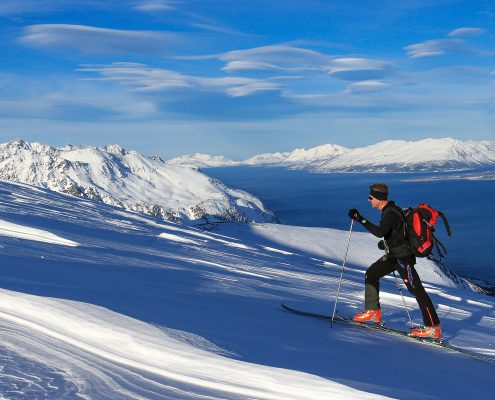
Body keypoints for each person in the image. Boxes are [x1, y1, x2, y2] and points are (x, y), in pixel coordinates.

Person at [348, 183, 442, 339]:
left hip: (402, 258)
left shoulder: (390, 213)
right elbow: (395, 234)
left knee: (416, 290)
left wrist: (360, 219)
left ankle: (433, 327)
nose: (368, 200)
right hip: (394, 256)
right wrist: (386, 243)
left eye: (370, 197)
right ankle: (373, 312)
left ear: (379, 198)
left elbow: (380, 232)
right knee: (371, 274)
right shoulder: (391, 211)